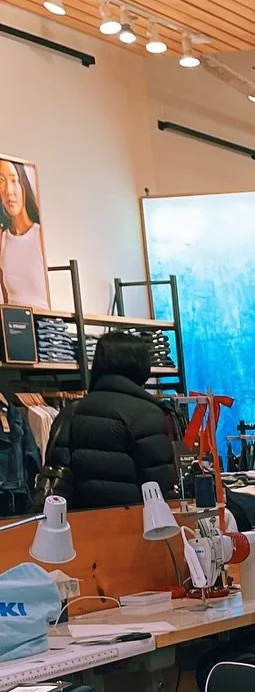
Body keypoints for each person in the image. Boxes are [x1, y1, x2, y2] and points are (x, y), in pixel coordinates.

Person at [46, 331, 177, 509]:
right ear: (142, 366)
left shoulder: (70, 412)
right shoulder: (146, 414)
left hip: (77, 526)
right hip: (135, 525)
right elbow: (160, 486)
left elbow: (58, 471)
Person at [0, 158, 49, 309]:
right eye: (1, 181)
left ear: (23, 185)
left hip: (44, 325)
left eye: (14, 180)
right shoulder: (3, 239)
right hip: (13, 325)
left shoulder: (39, 235)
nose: (8, 191)